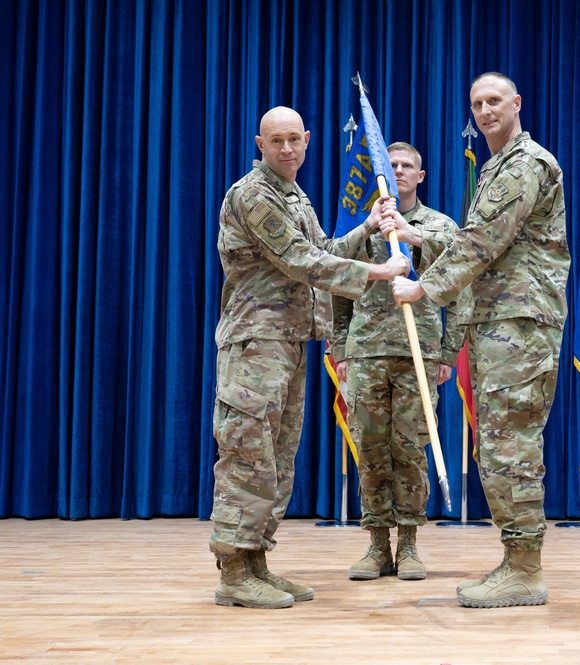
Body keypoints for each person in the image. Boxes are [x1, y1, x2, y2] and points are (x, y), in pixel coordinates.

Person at [211, 106, 410, 609]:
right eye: (275, 140)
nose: (285, 149)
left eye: (294, 139)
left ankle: (256, 561)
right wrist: (381, 274)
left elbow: (320, 246)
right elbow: (302, 261)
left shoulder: (293, 194)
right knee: (247, 454)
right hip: (256, 342)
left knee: (276, 459)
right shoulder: (253, 194)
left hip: (289, 341)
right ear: (260, 143)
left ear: (307, 142)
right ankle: (234, 572)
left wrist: (366, 229)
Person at [393, 72, 570, 609]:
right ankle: (516, 560)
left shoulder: (526, 163)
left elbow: (483, 242)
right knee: (498, 447)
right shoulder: (496, 166)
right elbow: (479, 244)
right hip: (500, 324)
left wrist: (424, 287)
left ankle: (525, 570)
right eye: (477, 103)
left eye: (495, 101)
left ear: (517, 103)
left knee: (510, 448)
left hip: (521, 325)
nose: (485, 110)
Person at [328, 142, 463, 582]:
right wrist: (341, 348)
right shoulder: (361, 226)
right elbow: (337, 282)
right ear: (381, 173)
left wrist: (448, 353)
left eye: (407, 166)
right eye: (392, 166)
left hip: (418, 352)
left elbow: (462, 284)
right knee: (370, 448)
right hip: (366, 352)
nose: (400, 171)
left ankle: (408, 545)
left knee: (409, 449)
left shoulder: (437, 226)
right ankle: (375, 545)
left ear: (420, 176)